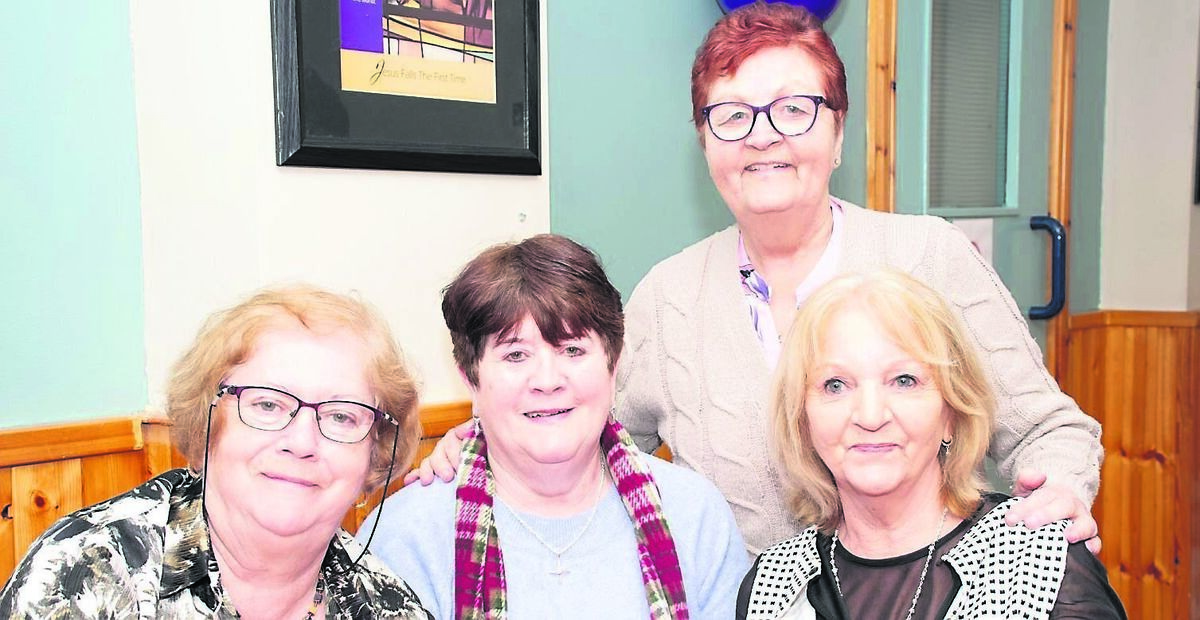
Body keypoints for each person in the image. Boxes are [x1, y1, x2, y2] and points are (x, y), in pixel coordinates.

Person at [410, 3, 1102, 557]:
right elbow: (579, 435)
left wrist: (1060, 491)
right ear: (705, 142)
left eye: (795, 108)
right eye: (733, 115)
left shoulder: (930, 257)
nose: (763, 136)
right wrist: (476, 445)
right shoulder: (668, 298)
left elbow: (1050, 430)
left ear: (838, 132)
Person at [362, 234, 748, 619]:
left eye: (572, 350)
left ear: (613, 366)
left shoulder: (694, 515)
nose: (547, 381)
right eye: (516, 355)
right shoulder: (404, 538)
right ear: (471, 379)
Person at [0, 286, 433, 619]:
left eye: (341, 416)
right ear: (208, 423)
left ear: (375, 453)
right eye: (267, 405)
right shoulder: (88, 572)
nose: (302, 443)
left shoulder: (385, 603)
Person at [737, 270, 1124, 619]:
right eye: (835, 385)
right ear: (803, 419)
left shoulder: (1035, 562)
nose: (870, 416)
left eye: (904, 381)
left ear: (951, 412)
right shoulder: (773, 585)